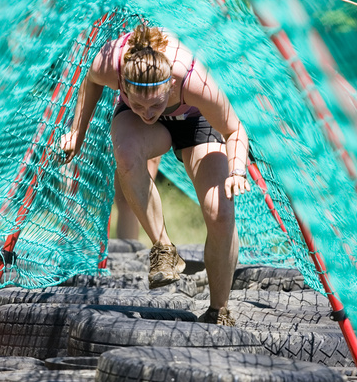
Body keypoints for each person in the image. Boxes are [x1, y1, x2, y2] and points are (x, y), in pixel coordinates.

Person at [62, 23, 250, 325]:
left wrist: (237, 171)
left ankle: (219, 309)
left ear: (171, 86)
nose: (147, 112)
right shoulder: (109, 63)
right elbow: (91, 81)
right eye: (137, 102)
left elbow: (234, 128)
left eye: (155, 103)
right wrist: (76, 132)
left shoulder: (195, 81)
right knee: (125, 152)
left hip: (195, 120)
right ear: (123, 84)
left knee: (219, 211)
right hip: (151, 133)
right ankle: (163, 248)